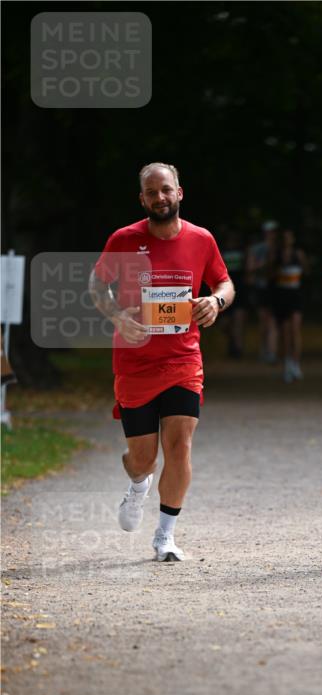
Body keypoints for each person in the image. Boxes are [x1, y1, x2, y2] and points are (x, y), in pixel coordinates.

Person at [89, 162, 234, 562]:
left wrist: (216, 301)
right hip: (135, 363)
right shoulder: (123, 239)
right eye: (152, 193)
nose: (160, 198)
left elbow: (224, 282)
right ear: (142, 199)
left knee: (180, 446)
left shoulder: (201, 239)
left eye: (166, 190)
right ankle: (138, 484)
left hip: (183, 361)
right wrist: (117, 316)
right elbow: (97, 284)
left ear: (179, 192)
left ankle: (165, 536)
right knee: (143, 458)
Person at [270, 227, 308, 382]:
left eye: (289, 237)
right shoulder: (276, 254)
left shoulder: (298, 254)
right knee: (285, 332)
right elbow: (270, 274)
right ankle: (287, 363)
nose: (287, 240)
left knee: (295, 330)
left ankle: (296, 362)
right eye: (284, 237)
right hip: (281, 295)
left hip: (295, 294)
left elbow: (306, 271)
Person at [246, 221, 279, 363]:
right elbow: (250, 267)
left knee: (273, 321)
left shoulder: (280, 248)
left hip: (277, 288)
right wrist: (265, 265)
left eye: (274, 231)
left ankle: (272, 352)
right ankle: (264, 349)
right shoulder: (257, 249)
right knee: (264, 321)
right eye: (269, 231)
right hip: (262, 288)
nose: (271, 234)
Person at [217, 228, 247, 358]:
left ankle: (238, 349)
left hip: (240, 290)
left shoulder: (243, 252)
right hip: (224, 291)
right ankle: (233, 341)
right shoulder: (221, 251)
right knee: (225, 324)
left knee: (238, 322)